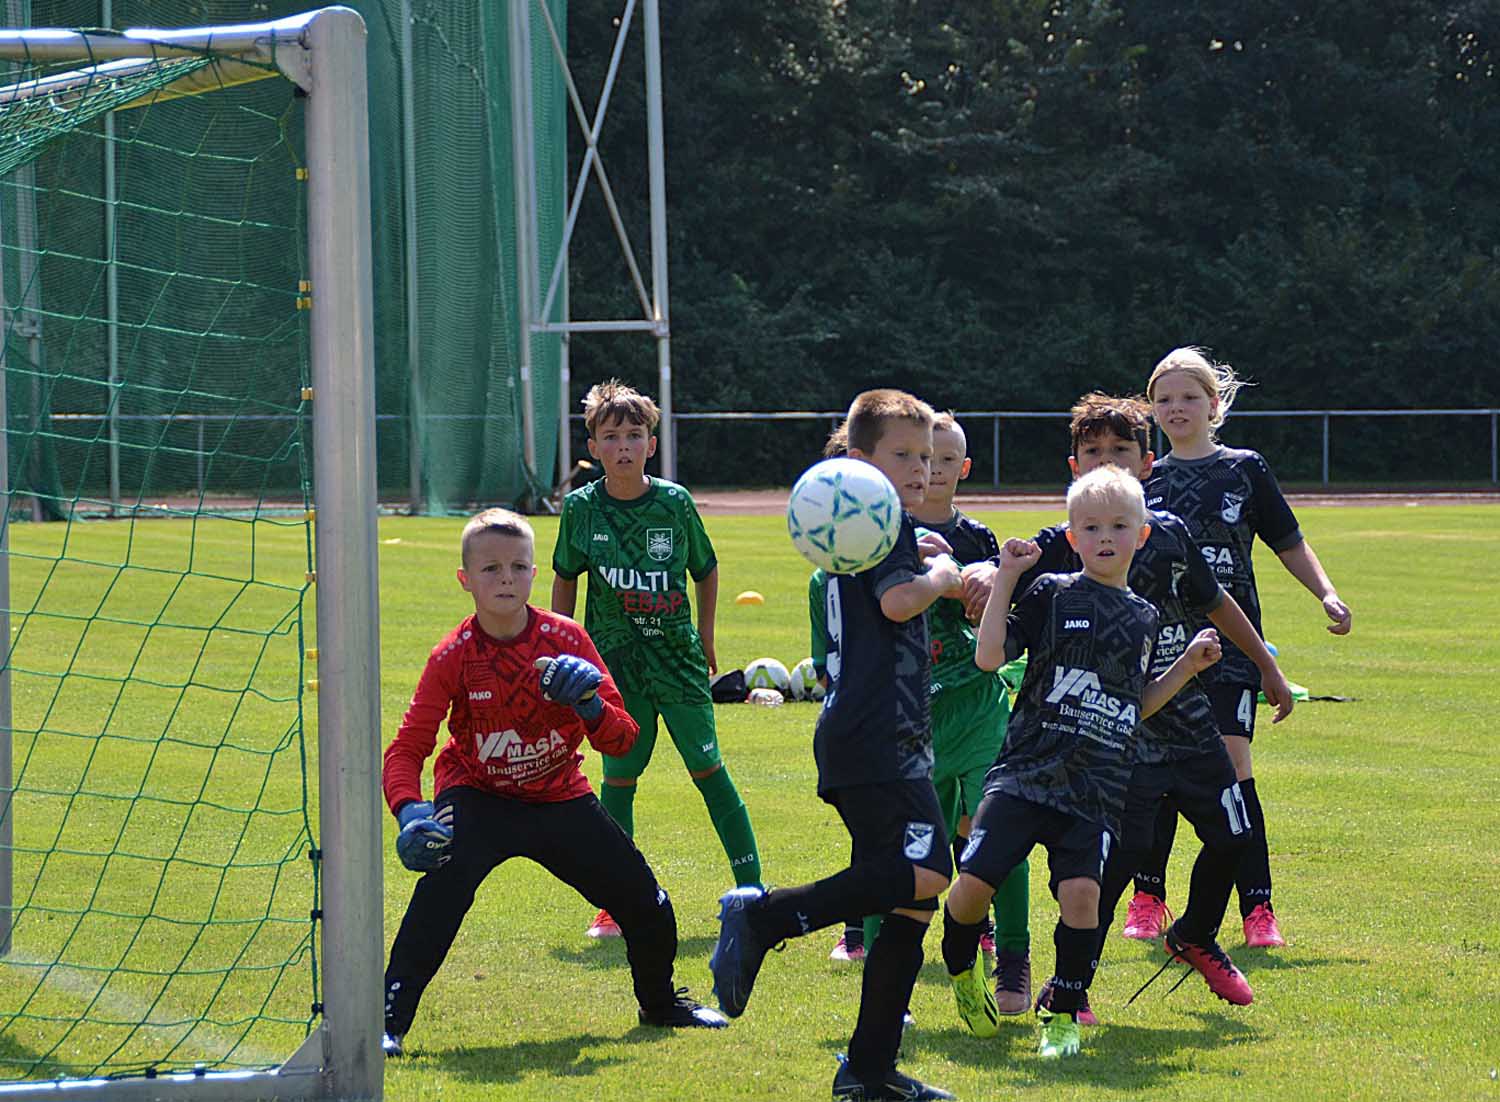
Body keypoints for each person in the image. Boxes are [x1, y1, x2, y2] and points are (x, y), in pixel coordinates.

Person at [380, 509, 727, 1056]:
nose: (506, 578)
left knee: (648, 904)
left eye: (518, 566)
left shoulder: (566, 638)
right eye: (490, 568)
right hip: (476, 794)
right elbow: (408, 748)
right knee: (438, 899)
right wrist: (408, 809)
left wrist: (589, 705)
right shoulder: (452, 655)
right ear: (465, 579)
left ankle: (661, 1005)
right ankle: (388, 1023)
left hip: (559, 795)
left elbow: (622, 739)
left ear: (535, 573)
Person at [1003, 393, 1294, 1018]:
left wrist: (1266, 665)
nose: (1108, 462)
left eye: (1122, 451)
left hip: (1188, 725)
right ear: (1075, 465)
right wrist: (978, 575)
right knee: (1114, 868)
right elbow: (1007, 569)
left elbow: (1217, 602)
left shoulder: (1169, 537)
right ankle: (1070, 985)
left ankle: (1193, 933)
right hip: (1115, 741)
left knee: (1234, 833)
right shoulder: (1063, 543)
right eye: (1094, 452)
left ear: (1148, 462)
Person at [709, 389, 962, 1101]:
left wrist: (924, 557)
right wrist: (939, 576)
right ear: (858, 460)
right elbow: (897, 602)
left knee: (911, 904)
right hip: (876, 736)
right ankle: (762, 916)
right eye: (904, 455)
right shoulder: (882, 530)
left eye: (929, 456)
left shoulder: (869, 529)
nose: (920, 468)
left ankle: (870, 1071)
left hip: (883, 736)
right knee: (926, 875)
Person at [940, 466, 1222, 1060]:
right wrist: (1010, 578)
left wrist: (1186, 668)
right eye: (1091, 527)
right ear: (1071, 537)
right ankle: (963, 968)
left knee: (1083, 901)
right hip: (1024, 775)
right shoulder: (1052, 592)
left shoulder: (1145, 617)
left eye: (1120, 526)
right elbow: (990, 657)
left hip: (1095, 786)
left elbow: (1133, 705)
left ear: (1141, 535)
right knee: (969, 890)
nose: (1105, 537)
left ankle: (1064, 1016)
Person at [1141, 348, 1352, 948]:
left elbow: (1289, 542)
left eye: (1188, 397)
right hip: (1157, 647)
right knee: (1155, 773)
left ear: (1214, 404)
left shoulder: (1245, 468)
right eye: (1164, 399)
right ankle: (1148, 896)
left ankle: (1257, 909)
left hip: (1234, 645)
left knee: (1234, 771)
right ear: (1153, 410)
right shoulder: (1145, 477)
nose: (1176, 408)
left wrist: (1327, 594)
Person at [551, 379, 761, 939]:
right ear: (593, 446)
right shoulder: (580, 509)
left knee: (709, 772)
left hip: (679, 663)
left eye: (635, 434)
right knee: (619, 779)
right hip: (616, 668)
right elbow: (566, 579)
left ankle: (753, 895)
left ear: (651, 443)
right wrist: (560, 647)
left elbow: (706, 570)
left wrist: (708, 638)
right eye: (612, 435)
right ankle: (617, 904)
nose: (624, 445)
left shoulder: (674, 503)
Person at [909, 413, 1033, 1015]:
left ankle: (1013, 955)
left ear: (964, 469)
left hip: (980, 708)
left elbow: (996, 623)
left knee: (998, 832)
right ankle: (890, 964)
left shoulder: (980, 536)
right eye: (921, 457)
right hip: (912, 717)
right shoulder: (885, 532)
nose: (932, 469)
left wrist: (989, 582)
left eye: (945, 459)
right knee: (907, 847)